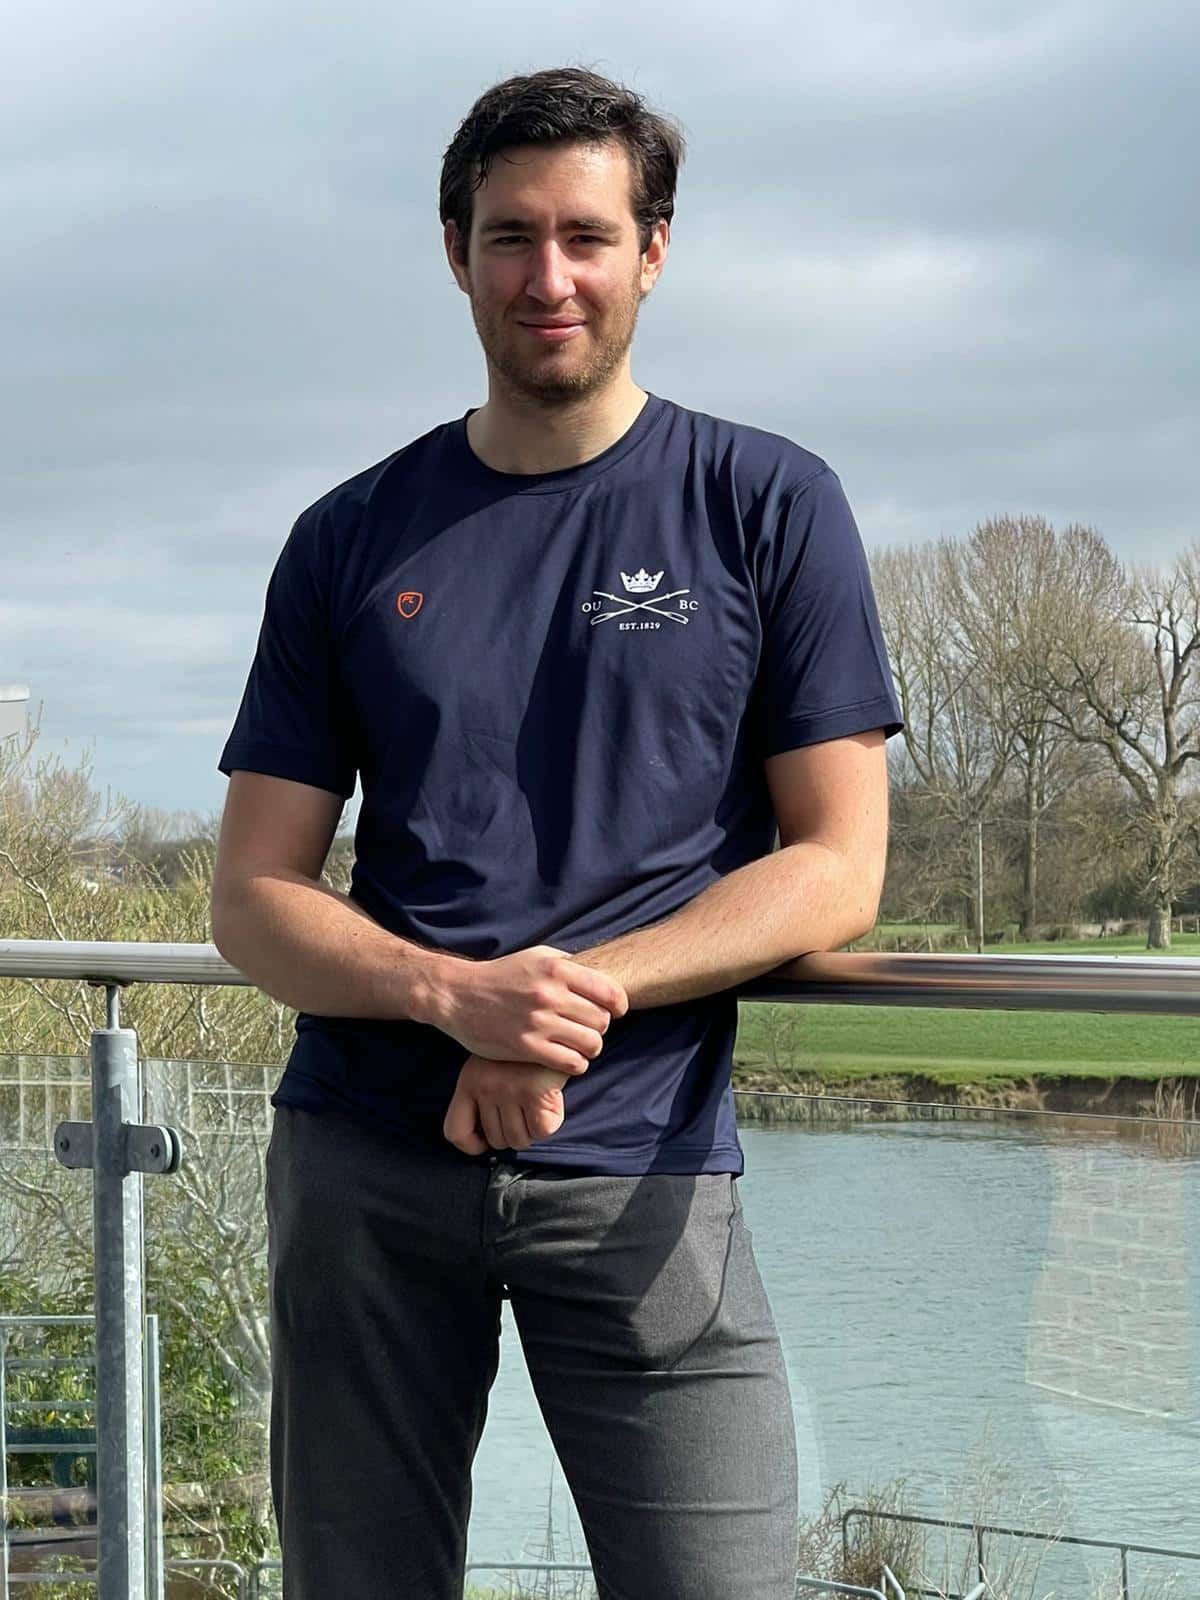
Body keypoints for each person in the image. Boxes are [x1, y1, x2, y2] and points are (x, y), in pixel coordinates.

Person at [212, 64, 903, 1600]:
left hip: (646, 1174)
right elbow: (254, 895)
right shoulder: (346, 537)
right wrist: (459, 997)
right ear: (455, 250)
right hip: (363, 1172)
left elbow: (837, 865)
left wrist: (557, 1010)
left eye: (587, 237)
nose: (550, 277)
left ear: (654, 251)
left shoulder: (766, 505)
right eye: (510, 237)